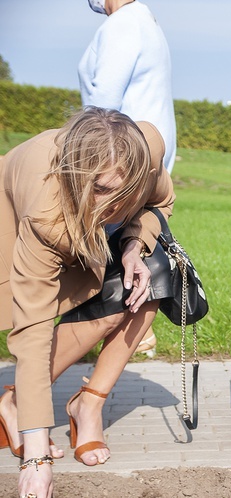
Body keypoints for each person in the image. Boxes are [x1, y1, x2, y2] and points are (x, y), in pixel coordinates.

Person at [0, 107, 175, 498]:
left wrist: (132, 244)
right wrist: (36, 458)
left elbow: (160, 203)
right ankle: (14, 405)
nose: (112, 204)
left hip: (94, 230)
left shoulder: (144, 157)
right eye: (100, 189)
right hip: (28, 221)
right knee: (61, 320)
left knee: (152, 279)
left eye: (124, 192)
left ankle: (88, 406)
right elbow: (32, 331)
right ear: (78, 176)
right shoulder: (43, 213)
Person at [79, 0, 178, 356]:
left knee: (103, 279)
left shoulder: (122, 25)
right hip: (142, 165)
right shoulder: (147, 21)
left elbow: (101, 105)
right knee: (136, 272)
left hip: (117, 168)